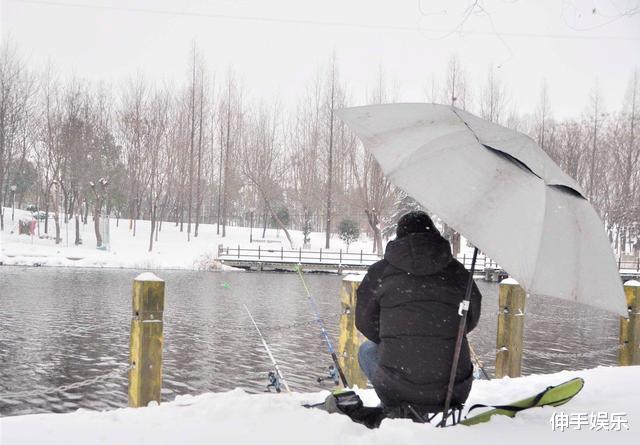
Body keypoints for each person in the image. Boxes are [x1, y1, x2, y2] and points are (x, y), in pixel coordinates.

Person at [356, 211, 482, 417]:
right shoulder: (458, 272)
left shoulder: (381, 271)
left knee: (366, 351)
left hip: (396, 387)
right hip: (453, 387)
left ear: (398, 236)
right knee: (450, 350)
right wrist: (442, 329)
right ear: (434, 233)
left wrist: (393, 336)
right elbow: (472, 316)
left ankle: (395, 409)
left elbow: (363, 321)